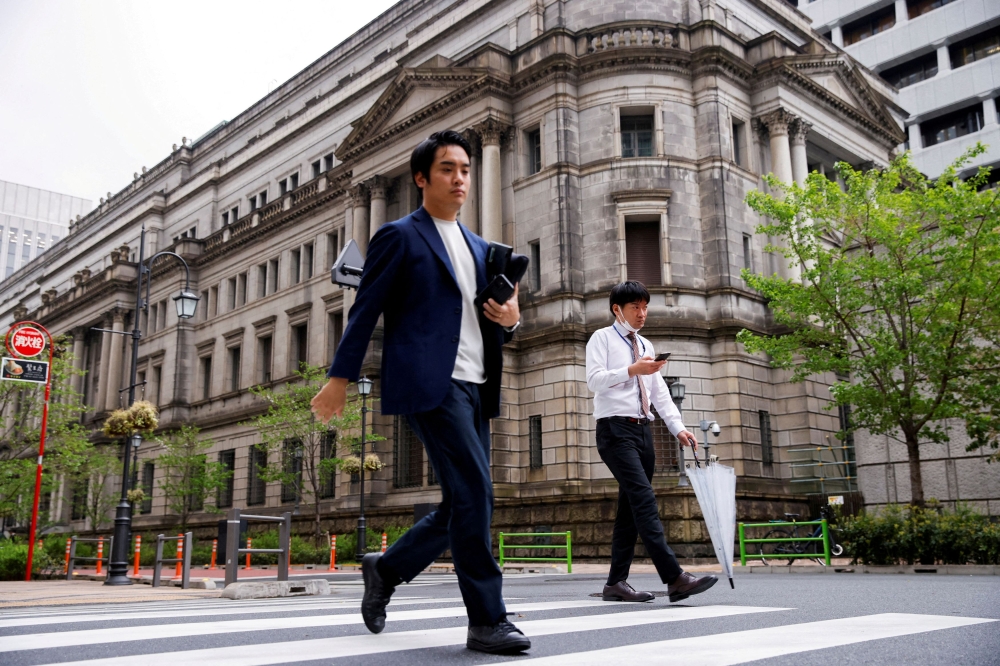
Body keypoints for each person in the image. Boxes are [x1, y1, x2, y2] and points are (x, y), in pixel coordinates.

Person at [311, 130, 529, 654]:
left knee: (461, 503)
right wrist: (340, 378)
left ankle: (385, 570)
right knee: (478, 493)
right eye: (448, 169)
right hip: (433, 383)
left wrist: (513, 319)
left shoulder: (481, 247)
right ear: (421, 178)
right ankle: (487, 619)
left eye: (465, 170)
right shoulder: (400, 236)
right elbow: (365, 309)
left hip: (478, 381)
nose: (459, 179)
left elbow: (489, 321)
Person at [585, 280, 718, 603]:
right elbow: (594, 381)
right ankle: (674, 577)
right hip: (614, 430)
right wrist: (631, 369)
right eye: (636, 307)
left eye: (645, 307)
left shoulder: (645, 344)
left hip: (643, 432)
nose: (642, 313)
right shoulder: (601, 338)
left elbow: (659, 392)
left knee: (630, 510)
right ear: (617, 309)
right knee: (644, 500)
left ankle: (615, 584)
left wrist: (678, 429)